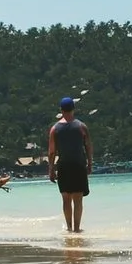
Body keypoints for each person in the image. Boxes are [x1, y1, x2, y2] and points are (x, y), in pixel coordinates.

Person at [48, 96, 92, 232]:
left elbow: (51, 152)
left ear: (61, 110)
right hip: (78, 165)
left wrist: (51, 169)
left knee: (66, 199)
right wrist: (90, 163)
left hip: (63, 166)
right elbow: (88, 146)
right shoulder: (81, 126)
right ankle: (77, 229)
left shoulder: (54, 129)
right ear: (73, 109)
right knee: (78, 199)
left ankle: (69, 228)